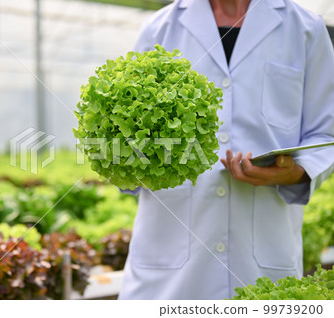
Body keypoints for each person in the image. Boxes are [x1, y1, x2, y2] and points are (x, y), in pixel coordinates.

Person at [118, 0, 334, 300]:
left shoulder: (305, 29)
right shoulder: (159, 28)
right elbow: (122, 120)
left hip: (262, 260)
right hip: (168, 274)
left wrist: (294, 172)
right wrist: (127, 156)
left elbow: (325, 132)